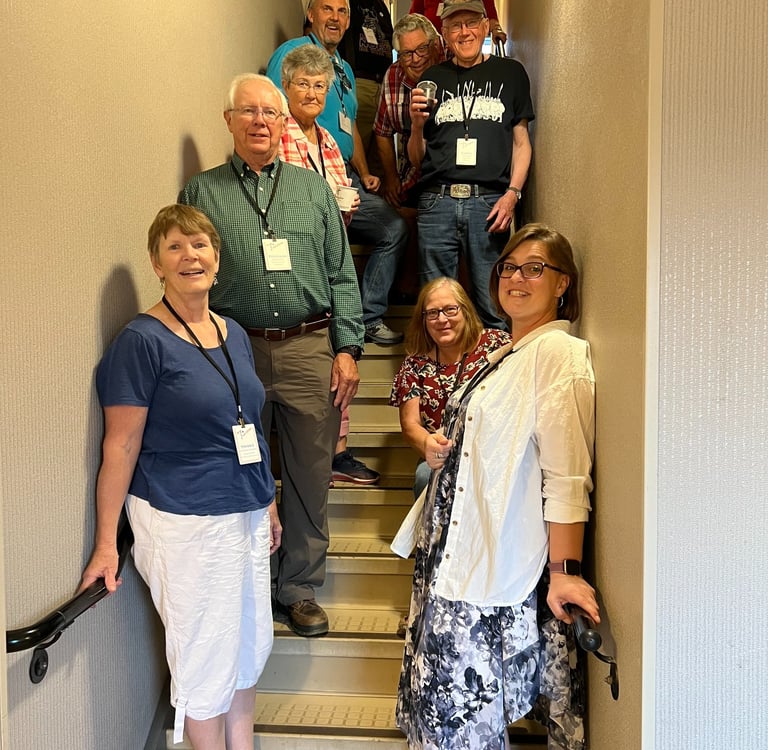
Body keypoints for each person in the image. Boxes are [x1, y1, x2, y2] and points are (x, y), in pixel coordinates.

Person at [80, 205, 281, 749]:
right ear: (157, 264)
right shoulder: (140, 341)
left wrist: (267, 499)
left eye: (199, 245)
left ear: (217, 258)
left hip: (244, 510)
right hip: (185, 518)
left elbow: (248, 421)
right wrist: (104, 543)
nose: (189, 255)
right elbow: (119, 445)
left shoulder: (231, 331)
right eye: (174, 247)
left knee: (247, 645)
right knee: (203, 656)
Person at [393, 223, 599, 750]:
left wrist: (565, 573)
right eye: (509, 267)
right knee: (436, 721)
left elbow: (567, 474)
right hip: (450, 556)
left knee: (461, 729)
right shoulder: (506, 351)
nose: (517, 277)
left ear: (562, 284)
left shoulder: (558, 355)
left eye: (535, 268)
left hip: (486, 573)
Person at [179, 74, 364, 638]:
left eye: (270, 113)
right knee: (240, 468)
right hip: (234, 349)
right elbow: (190, 274)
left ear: (284, 124)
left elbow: (341, 271)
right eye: (248, 112)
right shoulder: (201, 194)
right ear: (228, 120)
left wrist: (348, 347)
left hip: (311, 346)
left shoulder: (312, 191)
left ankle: (300, 587)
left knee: (310, 471)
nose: (260, 121)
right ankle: (249, 582)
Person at [267, 0, 408, 345]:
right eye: (326, 9)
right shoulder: (293, 52)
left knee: (394, 227)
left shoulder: (342, 67)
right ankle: (332, 323)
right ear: (310, 14)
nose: (334, 17)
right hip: (300, 173)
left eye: (342, 11)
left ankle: (368, 317)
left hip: (342, 173)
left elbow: (351, 130)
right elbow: (271, 108)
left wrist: (364, 172)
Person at [278, 44, 379, 486]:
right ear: (286, 87)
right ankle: (311, 453)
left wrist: (347, 206)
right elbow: (284, 202)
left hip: (329, 256)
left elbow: (336, 202)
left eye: (320, 85)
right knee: (312, 359)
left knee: (343, 351)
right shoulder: (278, 134)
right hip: (293, 263)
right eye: (303, 83)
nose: (313, 92)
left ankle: (338, 449)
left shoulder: (329, 143)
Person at [408, 0, 534, 329]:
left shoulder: (511, 73)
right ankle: (443, 379)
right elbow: (416, 158)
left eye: (471, 23)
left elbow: (522, 143)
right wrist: (417, 125)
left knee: (495, 304)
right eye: (454, 26)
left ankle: (491, 378)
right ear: (444, 35)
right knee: (437, 308)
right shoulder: (432, 78)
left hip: (490, 202)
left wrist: (512, 195)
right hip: (437, 200)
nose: (464, 32)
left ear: (484, 27)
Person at [389, 277, 510, 497]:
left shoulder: (497, 345)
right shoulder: (414, 364)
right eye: (432, 313)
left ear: (465, 310)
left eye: (450, 310)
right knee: (425, 476)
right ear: (423, 320)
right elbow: (410, 424)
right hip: (443, 451)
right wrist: (428, 443)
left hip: (492, 448)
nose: (441, 319)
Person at [373, 13, 444, 208]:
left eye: (422, 48)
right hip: (412, 171)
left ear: (435, 44)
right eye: (407, 53)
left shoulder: (452, 65)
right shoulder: (393, 75)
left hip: (449, 173)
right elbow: (382, 131)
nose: (416, 59)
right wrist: (391, 177)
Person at [338, 0, 394, 173]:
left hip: (384, 85)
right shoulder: (345, 3)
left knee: (380, 155)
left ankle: (377, 197)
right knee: (356, 151)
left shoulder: (380, 5)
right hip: (358, 81)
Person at [409, 0, 507, 45]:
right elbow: (413, 20)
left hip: (463, 42)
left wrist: (496, 30)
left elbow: (491, 16)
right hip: (433, 47)